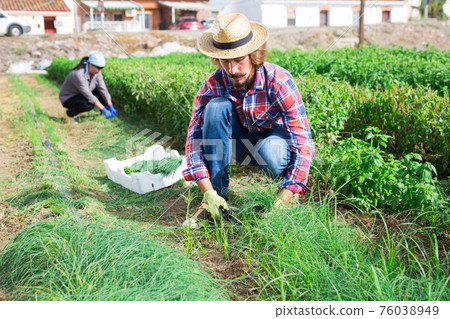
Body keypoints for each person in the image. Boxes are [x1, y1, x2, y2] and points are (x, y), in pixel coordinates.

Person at [182, 13, 314, 225]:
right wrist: (207, 192)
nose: (232, 70)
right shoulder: (213, 83)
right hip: (239, 146)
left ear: (254, 55)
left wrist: (288, 192)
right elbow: (194, 142)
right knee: (216, 107)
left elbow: (303, 144)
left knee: (269, 152)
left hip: (274, 148)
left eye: (238, 60)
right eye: (225, 61)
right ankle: (217, 199)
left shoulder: (279, 81)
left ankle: (286, 196)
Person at [59, 50, 117, 124]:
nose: (100, 71)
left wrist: (110, 105)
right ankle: (69, 114)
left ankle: (106, 113)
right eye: (98, 68)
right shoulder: (78, 74)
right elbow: (88, 95)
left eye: (101, 69)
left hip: (81, 94)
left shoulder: (97, 72)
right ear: (90, 64)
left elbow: (103, 88)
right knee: (88, 105)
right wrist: (103, 109)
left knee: (101, 87)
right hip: (69, 98)